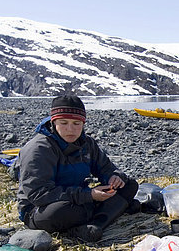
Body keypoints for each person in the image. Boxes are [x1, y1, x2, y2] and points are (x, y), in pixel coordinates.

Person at [16, 95, 139, 242]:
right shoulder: (39, 149)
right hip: (40, 208)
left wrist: (114, 177)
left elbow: (106, 168)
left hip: (80, 197)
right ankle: (110, 211)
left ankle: (94, 225)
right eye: (64, 123)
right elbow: (39, 194)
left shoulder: (87, 143)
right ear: (54, 122)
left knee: (129, 185)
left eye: (76, 123)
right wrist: (89, 195)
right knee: (60, 212)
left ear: (83, 123)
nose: (71, 129)